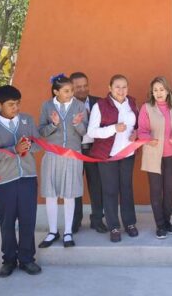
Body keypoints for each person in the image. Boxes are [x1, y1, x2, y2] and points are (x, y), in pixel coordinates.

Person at [0, 85, 42, 277]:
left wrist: (28, 146)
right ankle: (8, 260)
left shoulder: (27, 120)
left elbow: (38, 144)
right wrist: (13, 149)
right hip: (5, 181)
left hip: (28, 178)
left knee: (28, 220)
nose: (16, 108)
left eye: (18, 103)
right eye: (11, 104)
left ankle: (26, 259)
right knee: (7, 222)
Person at [87, 74, 139, 243]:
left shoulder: (132, 102)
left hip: (127, 154)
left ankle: (130, 223)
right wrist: (113, 128)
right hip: (107, 156)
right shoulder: (100, 105)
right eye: (117, 87)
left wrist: (136, 134)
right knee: (110, 191)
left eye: (124, 87)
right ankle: (114, 226)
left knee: (127, 190)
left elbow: (137, 125)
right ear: (109, 88)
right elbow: (91, 132)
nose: (121, 90)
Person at [37, 75, 87, 248]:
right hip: (52, 155)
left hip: (73, 155)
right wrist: (54, 124)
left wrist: (77, 124)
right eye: (66, 91)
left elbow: (84, 131)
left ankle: (67, 232)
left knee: (69, 194)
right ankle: (52, 231)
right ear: (56, 91)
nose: (71, 93)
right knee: (51, 194)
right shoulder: (47, 106)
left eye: (72, 90)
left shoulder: (79, 105)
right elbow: (41, 131)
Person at [137, 76, 172, 239]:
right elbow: (141, 130)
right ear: (152, 92)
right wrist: (148, 139)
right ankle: (160, 225)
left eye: (161, 90)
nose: (158, 93)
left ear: (167, 91)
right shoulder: (146, 108)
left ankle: (167, 221)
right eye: (155, 90)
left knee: (170, 191)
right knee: (156, 192)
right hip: (154, 156)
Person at [70, 72, 106, 234]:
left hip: (94, 151)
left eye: (85, 85)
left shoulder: (99, 102)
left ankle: (97, 220)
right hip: (75, 151)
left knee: (97, 186)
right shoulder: (66, 105)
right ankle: (75, 221)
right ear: (71, 88)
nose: (83, 89)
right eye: (78, 87)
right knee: (75, 186)